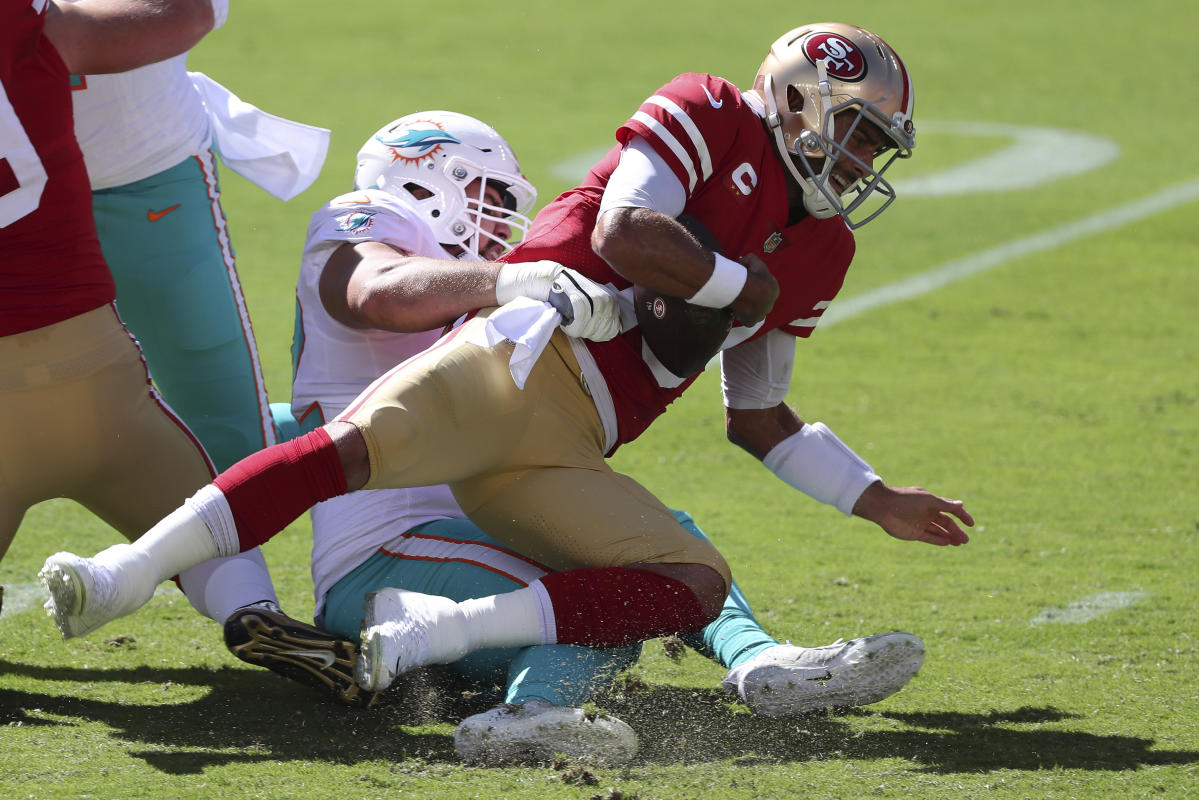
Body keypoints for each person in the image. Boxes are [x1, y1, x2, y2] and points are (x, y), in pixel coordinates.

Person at [41, 23, 973, 721]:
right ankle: (125, 574)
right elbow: (602, 237)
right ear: (802, 101)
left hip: (563, 442)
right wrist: (719, 284)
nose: (858, 162)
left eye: (873, 148)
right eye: (853, 132)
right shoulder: (384, 226)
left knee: (678, 573)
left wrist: (871, 495)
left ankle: (713, 669)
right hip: (505, 390)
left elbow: (758, 412)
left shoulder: (821, 248)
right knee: (347, 452)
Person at [242, 110, 925, 765]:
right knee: (613, 602)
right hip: (394, 554)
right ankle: (526, 712)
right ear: (423, 178)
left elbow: (270, 428)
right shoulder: (379, 259)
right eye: (483, 192)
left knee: (659, 538)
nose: (496, 216)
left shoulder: (437, 294)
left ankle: (753, 659)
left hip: (453, 538)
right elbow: (379, 299)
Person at [65, 10, 360, 705]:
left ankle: (235, 600)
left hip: (88, 183)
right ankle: (243, 606)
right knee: (220, 428)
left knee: (64, 422)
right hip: (138, 173)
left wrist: (38, 34)